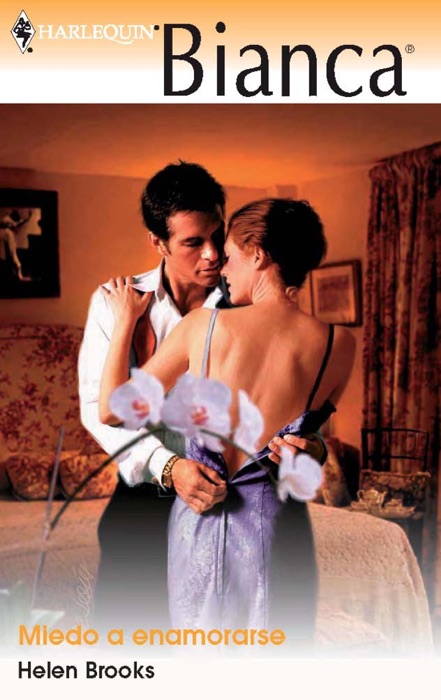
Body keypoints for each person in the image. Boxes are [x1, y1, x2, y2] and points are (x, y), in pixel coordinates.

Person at [98, 197, 356, 647]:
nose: (223, 267)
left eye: (232, 255)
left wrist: (123, 321)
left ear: (258, 254)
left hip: (200, 524)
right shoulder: (339, 344)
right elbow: (306, 436)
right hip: (281, 533)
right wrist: (312, 448)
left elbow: (111, 410)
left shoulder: (204, 327)